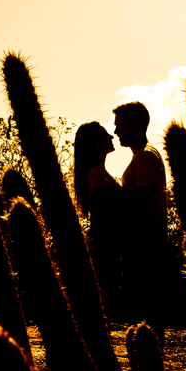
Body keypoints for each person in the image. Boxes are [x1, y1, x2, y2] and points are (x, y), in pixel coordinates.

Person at [113, 101, 168, 341]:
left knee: (148, 310)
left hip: (147, 243)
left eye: (120, 125)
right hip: (145, 244)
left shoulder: (145, 157)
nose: (116, 131)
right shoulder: (143, 157)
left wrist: (126, 233)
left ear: (137, 125)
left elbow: (146, 198)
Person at [73, 121, 123, 319]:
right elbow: (104, 217)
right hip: (104, 249)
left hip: (104, 247)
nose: (111, 137)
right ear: (96, 144)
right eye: (105, 135)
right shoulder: (97, 174)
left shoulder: (97, 173)